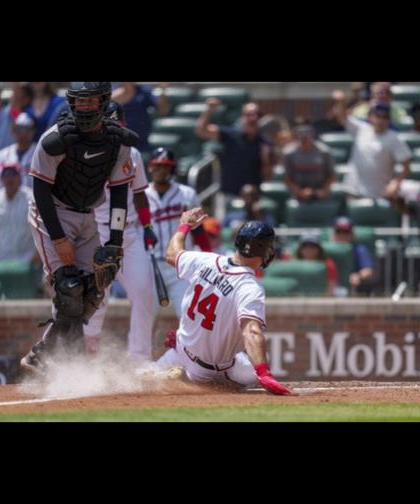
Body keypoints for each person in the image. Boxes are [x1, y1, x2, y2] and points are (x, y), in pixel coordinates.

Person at [20, 82, 140, 377]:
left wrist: (114, 241)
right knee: (69, 289)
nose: (84, 108)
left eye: (91, 102)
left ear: (103, 101)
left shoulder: (118, 142)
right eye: (79, 102)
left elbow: (120, 193)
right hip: (52, 212)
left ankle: (43, 355)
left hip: (88, 214)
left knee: (92, 292)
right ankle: (69, 370)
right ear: (71, 103)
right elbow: (40, 192)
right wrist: (59, 239)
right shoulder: (54, 140)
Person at [155, 214, 293, 395]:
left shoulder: (207, 260)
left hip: (179, 352)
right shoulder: (250, 287)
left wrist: (183, 227)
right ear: (264, 251)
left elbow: (172, 254)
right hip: (210, 370)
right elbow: (251, 331)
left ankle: (169, 375)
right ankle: (200, 384)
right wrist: (263, 372)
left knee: (139, 383)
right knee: (252, 377)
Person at [82, 102, 159, 361]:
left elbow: (139, 194)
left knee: (144, 294)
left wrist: (148, 226)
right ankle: (89, 355)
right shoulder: (86, 153)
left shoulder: (132, 153)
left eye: (118, 125)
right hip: (98, 234)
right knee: (96, 297)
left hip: (130, 235)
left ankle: (139, 358)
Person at [144, 147, 213, 312]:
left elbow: (198, 231)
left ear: (172, 168)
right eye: (157, 165)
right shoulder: (141, 196)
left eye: (166, 166)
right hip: (150, 266)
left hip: (181, 267)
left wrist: (209, 257)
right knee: (144, 320)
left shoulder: (187, 194)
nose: (161, 170)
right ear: (150, 167)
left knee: (188, 314)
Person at [195, 98, 272, 197]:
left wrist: (266, 161)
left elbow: (268, 178)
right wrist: (209, 110)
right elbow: (201, 131)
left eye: (257, 114)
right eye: (249, 114)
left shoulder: (265, 143)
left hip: (253, 198)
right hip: (229, 196)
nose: (253, 118)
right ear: (242, 117)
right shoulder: (231, 134)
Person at [338, 102, 412, 200]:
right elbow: (341, 117)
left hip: (380, 193)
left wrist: (396, 183)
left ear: (389, 120)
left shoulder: (395, 138)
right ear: (370, 117)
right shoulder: (361, 129)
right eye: (377, 116)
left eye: (384, 117)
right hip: (355, 191)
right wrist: (341, 101)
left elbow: (406, 166)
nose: (380, 120)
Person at [0, 164, 37, 264]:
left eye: (13, 175)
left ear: (19, 177)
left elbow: (43, 228)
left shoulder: (33, 198)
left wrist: (38, 254)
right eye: (6, 175)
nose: (9, 179)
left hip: (28, 260)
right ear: (1, 179)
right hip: (1, 260)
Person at [0, 112, 38, 192]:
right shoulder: (3, 154)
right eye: (19, 129)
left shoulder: (40, 153)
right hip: (5, 202)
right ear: (13, 131)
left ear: (33, 131)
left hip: (32, 202)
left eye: (27, 129)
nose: (23, 133)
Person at [283, 124, 335, 203]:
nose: (304, 139)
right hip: (298, 195)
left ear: (312, 136)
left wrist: (323, 191)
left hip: (321, 193)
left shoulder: (324, 152)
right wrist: (299, 192)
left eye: (306, 137)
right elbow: (287, 178)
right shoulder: (289, 153)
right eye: (301, 137)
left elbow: (332, 176)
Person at [112, 82, 171, 152]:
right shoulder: (113, 89)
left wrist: (163, 91)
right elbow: (114, 100)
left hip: (141, 145)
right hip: (118, 145)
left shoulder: (144, 90)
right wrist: (127, 88)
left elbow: (163, 111)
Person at [332, 217, 375, 294]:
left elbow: (368, 271)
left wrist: (358, 276)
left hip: (351, 288)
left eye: (346, 232)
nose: (342, 235)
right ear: (334, 234)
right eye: (339, 231)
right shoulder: (326, 249)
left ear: (352, 234)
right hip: (329, 287)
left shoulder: (360, 249)